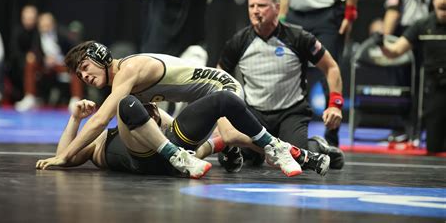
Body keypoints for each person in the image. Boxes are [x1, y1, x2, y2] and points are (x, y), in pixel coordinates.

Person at [35, 41, 331, 177]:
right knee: (221, 139)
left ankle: (281, 148)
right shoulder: (129, 93)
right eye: (80, 76)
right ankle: (291, 150)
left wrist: (62, 155)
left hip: (220, 89)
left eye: (86, 68)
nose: (85, 77)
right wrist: (74, 119)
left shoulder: (127, 71)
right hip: (170, 145)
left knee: (230, 134)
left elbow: (101, 119)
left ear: (101, 57)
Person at [218, 0, 345, 169]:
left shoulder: (298, 37)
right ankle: (258, 152)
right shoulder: (239, 41)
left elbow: (331, 67)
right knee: (229, 160)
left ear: (277, 8)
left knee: (297, 158)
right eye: (251, 6)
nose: (255, 11)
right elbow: (218, 76)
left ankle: (318, 145)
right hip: (254, 114)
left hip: (291, 112)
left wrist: (335, 104)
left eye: (261, 5)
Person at [267, 0, 360, 146]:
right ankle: (293, 134)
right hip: (297, 17)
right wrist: (283, 18)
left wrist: (350, 14)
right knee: (293, 77)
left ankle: (332, 139)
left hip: (327, 17)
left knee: (328, 71)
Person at [379, 0, 446, 153]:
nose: (442, 1)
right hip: (436, 89)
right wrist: (381, 43)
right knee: (434, 147)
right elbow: (395, 51)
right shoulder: (423, 25)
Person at [15, 12, 83, 112]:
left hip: (62, 63)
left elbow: (76, 49)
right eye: (42, 25)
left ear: (53, 24)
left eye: (47, 25)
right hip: (45, 65)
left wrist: (65, 60)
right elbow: (36, 51)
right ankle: (30, 97)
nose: (44, 28)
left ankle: (76, 99)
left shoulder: (62, 33)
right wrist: (41, 58)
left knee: (75, 66)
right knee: (30, 63)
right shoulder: (37, 35)